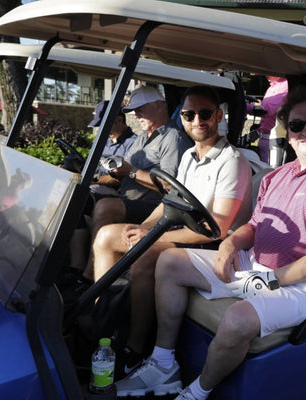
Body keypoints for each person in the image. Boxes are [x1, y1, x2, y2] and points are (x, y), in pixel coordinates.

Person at [114, 86, 306, 399]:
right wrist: (229, 245)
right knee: (169, 261)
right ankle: (163, 365)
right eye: (297, 125)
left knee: (237, 319)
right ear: (288, 133)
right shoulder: (278, 176)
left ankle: (197, 391)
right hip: (257, 269)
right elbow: (253, 225)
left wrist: (272, 280)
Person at [92, 86, 252, 375]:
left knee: (144, 254)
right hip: (183, 231)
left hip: (216, 246)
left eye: (205, 114)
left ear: (218, 116)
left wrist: (152, 237)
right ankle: (101, 319)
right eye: (190, 115)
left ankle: (136, 347)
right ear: (183, 118)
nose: (197, 121)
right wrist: (142, 227)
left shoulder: (232, 162)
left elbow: (215, 230)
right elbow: (169, 203)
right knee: (106, 236)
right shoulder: (191, 156)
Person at [87, 85, 192, 270]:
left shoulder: (173, 138)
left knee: (105, 206)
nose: (136, 115)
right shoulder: (142, 138)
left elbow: (170, 187)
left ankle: (89, 277)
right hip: (128, 198)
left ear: (159, 105)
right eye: (135, 111)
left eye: (140, 110)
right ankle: (78, 269)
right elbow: (124, 171)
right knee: (81, 199)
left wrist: (132, 172)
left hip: (156, 208)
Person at [68, 101, 137, 273]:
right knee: (67, 201)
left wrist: (94, 181)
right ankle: (74, 265)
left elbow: (120, 178)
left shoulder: (133, 144)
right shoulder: (104, 142)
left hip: (118, 191)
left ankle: (86, 271)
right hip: (96, 186)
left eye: (104, 124)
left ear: (119, 120)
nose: (101, 129)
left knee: (79, 199)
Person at [246, 76, 288, 163]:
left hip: (273, 143)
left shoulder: (284, 85)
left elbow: (266, 111)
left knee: (267, 173)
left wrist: (243, 106)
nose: (265, 75)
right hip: (263, 140)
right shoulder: (274, 85)